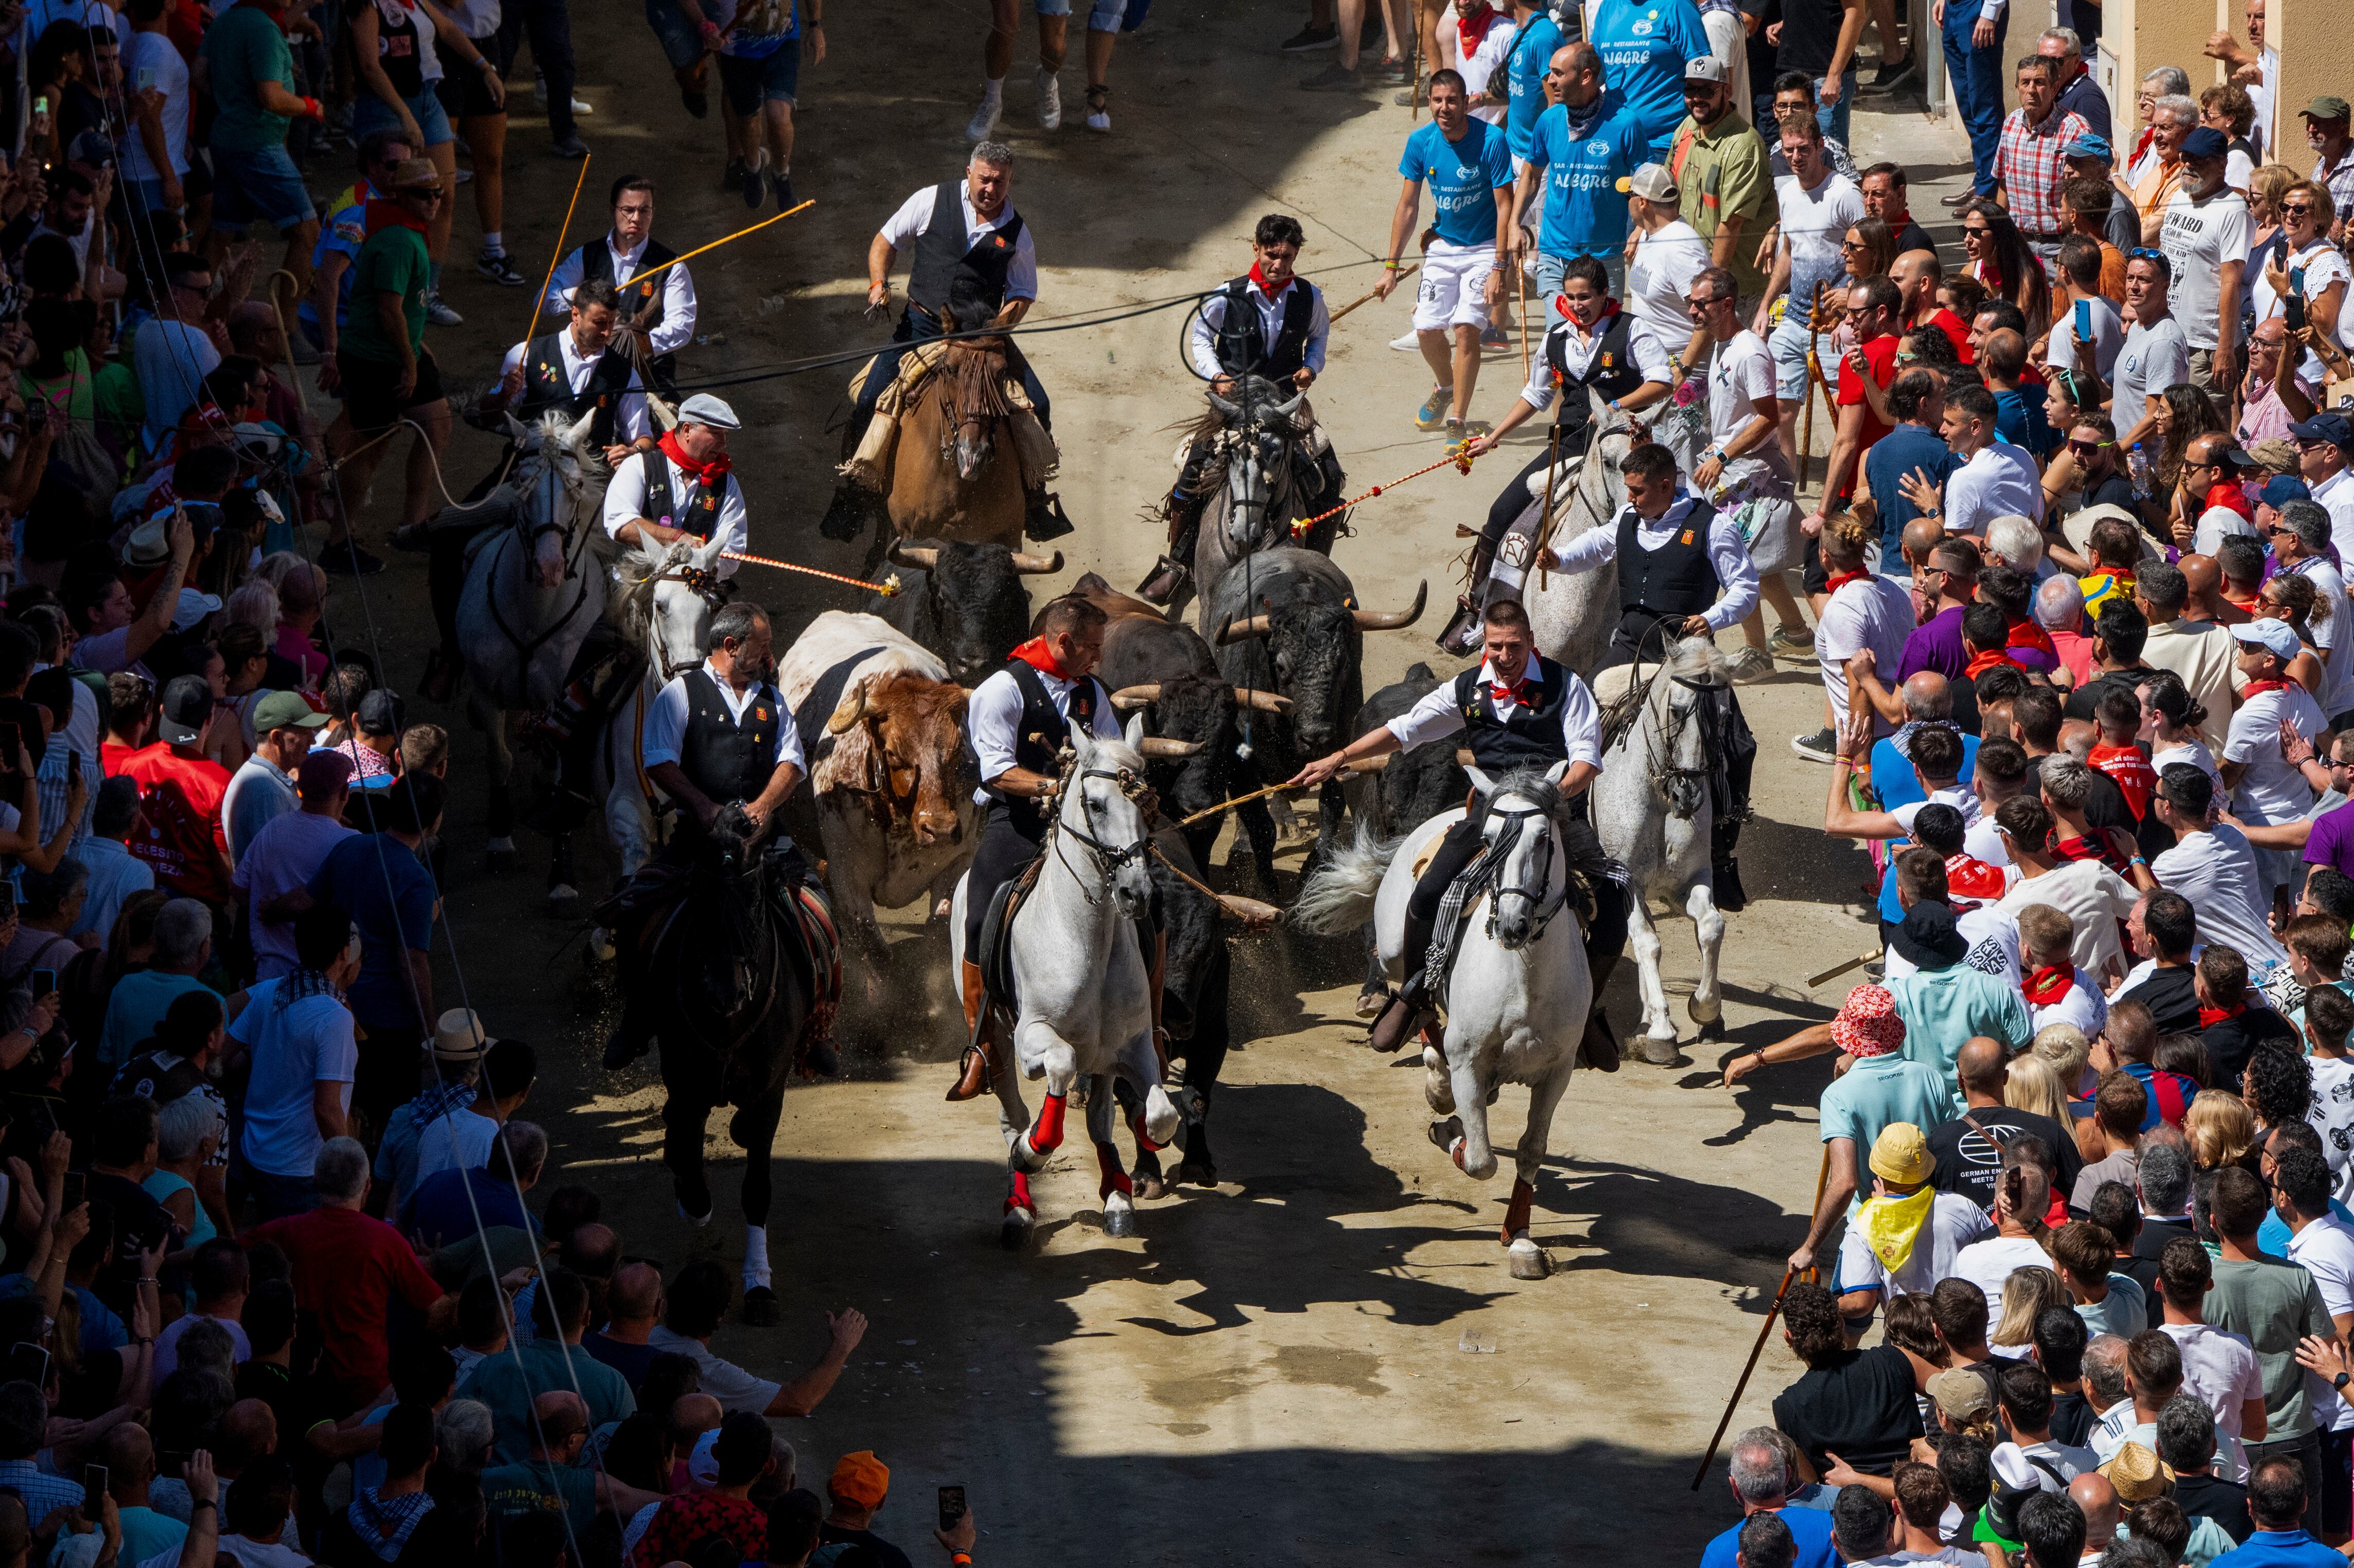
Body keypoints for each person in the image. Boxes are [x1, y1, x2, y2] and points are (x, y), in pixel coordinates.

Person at [1291, 598, 1627, 1064]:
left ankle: (1586, 1009)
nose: (1505, 657)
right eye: (1495, 647)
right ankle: (1416, 995)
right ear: (1483, 645)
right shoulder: (1467, 688)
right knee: (1427, 893)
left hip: (1552, 815)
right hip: (1486, 814)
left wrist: (1549, 802)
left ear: (1531, 642)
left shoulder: (1566, 685)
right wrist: (1338, 758)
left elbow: (1587, 761)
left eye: (1514, 646)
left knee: (1613, 897)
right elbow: (1404, 730)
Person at [1502, 433, 1762, 896]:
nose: (1629, 498)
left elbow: (1744, 590)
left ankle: (1719, 855)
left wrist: (1711, 618)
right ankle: (1573, 832)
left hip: (1685, 654)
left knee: (1737, 746)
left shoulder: (1712, 526)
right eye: (1628, 489)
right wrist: (1558, 559)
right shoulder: (1627, 518)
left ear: (1666, 484)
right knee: (1574, 726)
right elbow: (1594, 547)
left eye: (1638, 490)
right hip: (1628, 647)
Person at [602, 601, 808, 1072]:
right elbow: (658, 758)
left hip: (766, 844)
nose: (770, 656)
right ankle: (636, 1021)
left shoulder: (772, 700)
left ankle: (816, 1022)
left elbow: (791, 763)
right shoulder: (680, 693)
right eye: (763, 647)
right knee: (633, 907)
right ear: (731, 647)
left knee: (818, 914)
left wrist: (761, 807)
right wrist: (706, 808)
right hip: (697, 841)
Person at [827, 144, 1065, 543]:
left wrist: (1000, 327)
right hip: (919, 329)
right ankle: (854, 492)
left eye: (1000, 182)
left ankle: (1034, 500)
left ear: (1010, 182)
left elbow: (1022, 293)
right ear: (969, 172)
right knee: (869, 400)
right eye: (984, 178)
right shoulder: (929, 200)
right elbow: (885, 242)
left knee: (1038, 403)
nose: (990, 188)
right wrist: (877, 284)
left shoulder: (1017, 231)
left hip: (980, 338)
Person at [1450, 256, 1672, 653]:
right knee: (1502, 514)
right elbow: (1535, 395)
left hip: (1626, 450)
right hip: (1568, 446)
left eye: (1585, 296)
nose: (1577, 304)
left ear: (1606, 295)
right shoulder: (1556, 337)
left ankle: (1665, 619)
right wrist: (1494, 436)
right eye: (1570, 297)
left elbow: (1661, 380)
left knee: (1659, 522)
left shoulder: (1632, 330)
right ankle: (1478, 605)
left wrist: (1614, 408)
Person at [276, 773, 444, 1133]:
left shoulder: (351, 848)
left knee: (350, 1108)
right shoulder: (416, 880)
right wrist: (430, 1030)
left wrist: (269, 909)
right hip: (388, 1023)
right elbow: (412, 961)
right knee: (392, 1124)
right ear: (435, 821)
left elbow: (306, 900)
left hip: (339, 1001)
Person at [243, 1138, 454, 1409]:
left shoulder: (290, 1230)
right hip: (367, 1388)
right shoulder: (386, 1241)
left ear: (316, 1180)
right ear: (367, 1187)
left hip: (302, 1381)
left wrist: (173, 1253)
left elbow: (224, 1253)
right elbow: (435, 1308)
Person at [322, 157, 452, 561]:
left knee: (436, 422)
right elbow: (388, 310)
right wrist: (410, 364)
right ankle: (338, 541)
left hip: (400, 351)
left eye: (437, 194)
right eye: (422, 195)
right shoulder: (397, 239)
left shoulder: (407, 230)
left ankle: (412, 526)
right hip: (378, 360)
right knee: (369, 448)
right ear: (400, 196)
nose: (432, 202)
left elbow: (404, 312)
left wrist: (417, 349)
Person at [1381, 69, 1513, 440]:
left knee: (1467, 330)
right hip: (1443, 246)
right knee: (1425, 329)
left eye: (1452, 100)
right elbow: (1408, 206)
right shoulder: (1420, 141)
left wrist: (1499, 267)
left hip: (1485, 247)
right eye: (1437, 101)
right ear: (1429, 103)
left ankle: (1458, 417)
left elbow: (1505, 207)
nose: (1444, 108)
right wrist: (1390, 266)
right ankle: (1444, 387)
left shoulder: (1492, 139)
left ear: (1466, 101)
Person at [233, 904, 360, 1221]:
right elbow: (327, 1109)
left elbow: (221, 1045)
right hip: (298, 1170)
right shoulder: (334, 1018)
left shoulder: (270, 991)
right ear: (345, 954)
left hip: (254, 1152)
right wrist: (352, 1169)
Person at [1756, 117, 1862, 476]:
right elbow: (1788, 252)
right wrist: (1765, 304)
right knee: (1779, 411)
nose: (1797, 157)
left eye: (1804, 148)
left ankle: (1847, 487)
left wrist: (1851, 295)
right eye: (1789, 151)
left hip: (1835, 324)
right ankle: (1785, 485)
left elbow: (1871, 251)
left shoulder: (1844, 193)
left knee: (1841, 413)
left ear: (1820, 146)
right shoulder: (1786, 193)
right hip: (1793, 319)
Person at [200, 0, 323, 295]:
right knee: (307, 233)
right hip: (258, 144)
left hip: (228, 139)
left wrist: (231, 102)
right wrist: (310, 107)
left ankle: (196, 316)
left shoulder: (225, 21)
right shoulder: (263, 28)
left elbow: (197, 75)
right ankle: (289, 329)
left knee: (221, 233)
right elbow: (272, 97)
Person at [1511, 43, 1646, 308]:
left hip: (1604, 259)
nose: (1550, 81)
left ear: (1585, 77)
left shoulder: (1625, 123)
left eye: (1559, 74)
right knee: (1560, 342)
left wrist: (1640, 228)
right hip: (1555, 256)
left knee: (1604, 346)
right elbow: (1531, 176)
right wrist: (1513, 223)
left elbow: (1645, 181)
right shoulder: (1548, 121)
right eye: (1550, 73)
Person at [644, 1259, 866, 1417]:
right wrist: (842, 1347)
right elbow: (798, 1401)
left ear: (666, 1302)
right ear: (722, 1315)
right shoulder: (708, 1372)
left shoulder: (634, 1337)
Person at [540, 177, 698, 392]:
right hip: (590, 370)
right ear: (614, 210)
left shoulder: (672, 266)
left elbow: (681, 327)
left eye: (645, 210)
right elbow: (544, 300)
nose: (636, 218)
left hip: (649, 373)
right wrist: (579, 294)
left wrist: (636, 346)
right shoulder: (587, 256)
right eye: (628, 210)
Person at [1835, 1122, 1995, 1324]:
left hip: (1906, 1339)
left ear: (1879, 1170)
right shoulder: (1962, 1206)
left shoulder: (1864, 1223)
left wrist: (1827, 1305)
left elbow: (1860, 1303)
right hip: (1961, 1333)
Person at [1770, 1278, 1925, 1478]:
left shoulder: (1786, 1407)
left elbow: (1808, 1480)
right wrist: (1929, 1443)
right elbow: (1949, 1384)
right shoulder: (1891, 1359)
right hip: (1916, 1494)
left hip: (1847, 1504)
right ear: (1841, 1324)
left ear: (1788, 1338)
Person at [117, 674, 232, 907]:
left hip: (134, 900)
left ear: (161, 710)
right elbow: (225, 868)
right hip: (193, 910)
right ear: (210, 718)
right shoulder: (220, 783)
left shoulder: (130, 765)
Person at [1672, 57, 1775, 311]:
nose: (1697, 98)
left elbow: (1731, 224)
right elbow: (1669, 189)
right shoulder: (1687, 128)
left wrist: (1710, 291)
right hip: (1691, 280)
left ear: (1727, 92)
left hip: (1731, 290)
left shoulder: (1743, 146)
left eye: (1707, 91)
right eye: (1691, 90)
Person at [2162, 128, 2253, 396]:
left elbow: (2232, 282)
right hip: (2170, 331)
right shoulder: (2180, 197)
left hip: (2206, 346)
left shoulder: (2233, 210)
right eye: (2185, 156)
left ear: (2222, 164)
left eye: (2199, 159)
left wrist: (2224, 349)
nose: (2188, 164)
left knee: (2204, 425)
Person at [1898, 383, 2044, 538]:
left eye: (1951, 423)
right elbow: (2042, 519)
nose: (1942, 430)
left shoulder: (1965, 478)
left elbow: (1956, 551)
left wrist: (1932, 509)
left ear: (1975, 427)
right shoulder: (2021, 455)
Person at [1994, 55, 2095, 271]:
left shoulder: (2075, 129)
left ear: (2055, 87)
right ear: (2017, 88)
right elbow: (2003, 184)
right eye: (2025, 83)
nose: (2031, 90)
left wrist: (2074, 247)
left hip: (2059, 246)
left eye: (2039, 83)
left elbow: (2085, 195)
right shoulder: (2010, 124)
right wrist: (1998, 234)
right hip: (2018, 244)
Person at [221, 692, 326, 868]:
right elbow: (274, 866)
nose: (313, 740)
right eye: (305, 732)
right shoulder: (266, 791)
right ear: (277, 738)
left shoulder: (264, 781)